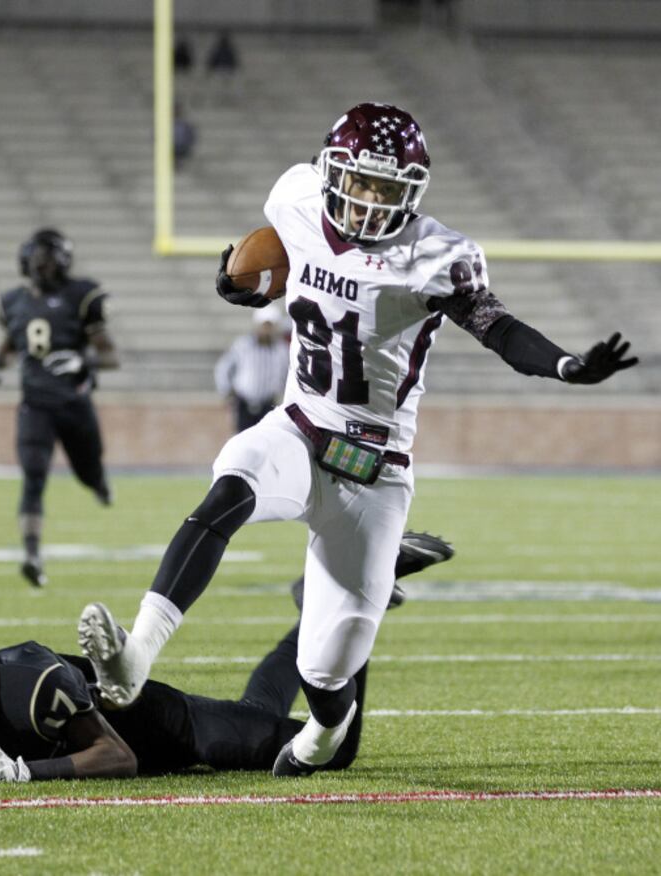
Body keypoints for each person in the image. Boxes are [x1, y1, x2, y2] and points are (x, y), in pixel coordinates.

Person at [77, 102, 638, 778]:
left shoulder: (436, 256)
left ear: (412, 193)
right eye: (362, 183)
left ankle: (322, 734)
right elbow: (270, 264)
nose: (371, 201)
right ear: (332, 169)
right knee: (231, 486)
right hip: (300, 426)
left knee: (325, 669)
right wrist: (240, 284)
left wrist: (566, 365)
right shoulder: (296, 196)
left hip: (374, 470)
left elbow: (500, 328)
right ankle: (136, 654)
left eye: (387, 189)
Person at [0, 536, 450, 781]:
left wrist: (31, 772)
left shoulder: (23, 679)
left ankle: (355, 599)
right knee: (258, 706)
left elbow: (118, 755)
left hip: (175, 730)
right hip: (164, 730)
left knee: (334, 749)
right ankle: (312, 606)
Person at [0, 228, 119, 589]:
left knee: (88, 470)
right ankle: (31, 554)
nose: (43, 267)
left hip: (74, 403)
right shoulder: (13, 301)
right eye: (38, 260)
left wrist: (81, 360)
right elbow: (14, 336)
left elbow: (110, 354)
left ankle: (98, 482)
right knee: (33, 476)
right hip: (35, 406)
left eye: (49, 260)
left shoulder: (80, 295)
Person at [214, 303, 290, 433]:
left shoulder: (281, 350)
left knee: (266, 439)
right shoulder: (243, 345)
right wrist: (226, 390)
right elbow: (223, 368)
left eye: (270, 325)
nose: (267, 329)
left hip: (268, 404)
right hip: (244, 403)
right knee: (242, 439)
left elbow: (285, 374)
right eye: (264, 325)